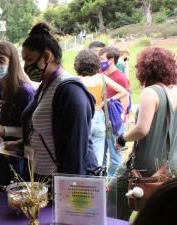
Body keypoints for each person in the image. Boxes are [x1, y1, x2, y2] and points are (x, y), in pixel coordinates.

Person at [19, 23, 97, 177]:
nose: (26, 66)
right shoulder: (45, 87)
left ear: (46, 56)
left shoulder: (70, 91)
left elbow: (76, 150)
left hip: (60, 183)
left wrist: (68, 192)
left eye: (29, 60)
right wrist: (19, 145)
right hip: (41, 178)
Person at [108, 47, 177, 220]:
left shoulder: (150, 92)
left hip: (147, 165)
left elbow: (141, 129)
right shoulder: (175, 91)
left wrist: (122, 138)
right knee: (159, 211)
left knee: (114, 199)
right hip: (170, 165)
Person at [0, 41, 35, 191]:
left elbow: (33, 131)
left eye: (1, 60)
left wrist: (5, 130)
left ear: (12, 62)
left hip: (16, 160)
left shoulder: (24, 91)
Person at [75, 50, 128, 166]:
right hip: (99, 116)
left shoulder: (77, 80)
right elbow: (124, 92)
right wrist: (105, 101)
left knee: (82, 152)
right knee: (98, 157)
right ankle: (97, 179)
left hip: (84, 116)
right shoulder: (102, 78)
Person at [98, 46, 131, 177]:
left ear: (111, 60)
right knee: (103, 154)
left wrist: (121, 122)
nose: (100, 62)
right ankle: (103, 181)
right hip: (103, 120)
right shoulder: (103, 75)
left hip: (115, 122)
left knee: (115, 156)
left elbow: (125, 100)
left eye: (102, 59)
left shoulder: (120, 77)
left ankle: (112, 184)